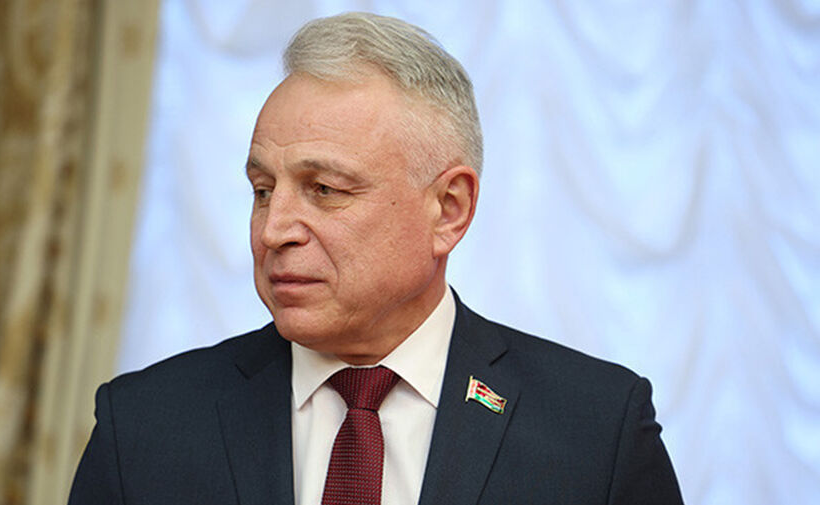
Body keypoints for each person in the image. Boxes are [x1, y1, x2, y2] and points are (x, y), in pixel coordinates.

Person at [69, 12, 684, 505]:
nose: (273, 230)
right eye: (262, 190)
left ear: (448, 210)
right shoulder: (145, 428)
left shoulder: (596, 430)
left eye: (324, 189)